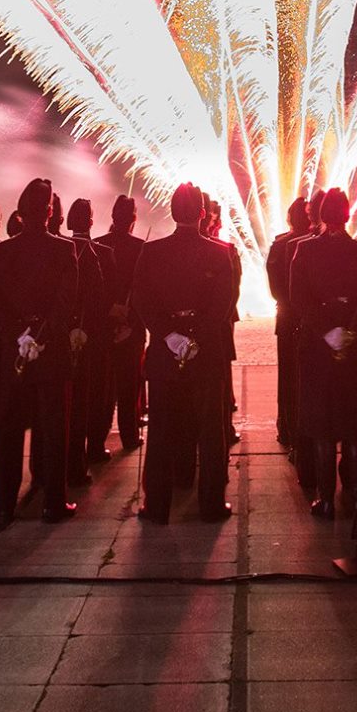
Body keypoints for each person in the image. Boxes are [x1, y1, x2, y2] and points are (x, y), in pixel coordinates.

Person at [131, 182, 239, 523]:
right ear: (203, 214)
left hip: (165, 354)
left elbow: (143, 302)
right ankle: (211, 504)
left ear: (173, 212)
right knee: (210, 431)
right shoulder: (219, 254)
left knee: (161, 430)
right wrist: (194, 337)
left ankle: (157, 505)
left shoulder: (152, 252)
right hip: (205, 352)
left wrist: (170, 335)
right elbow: (223, 305)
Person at [0, 178, 79, 525]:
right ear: (50, 212)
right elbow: (66, 302)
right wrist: (41, 334)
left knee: (6, 430)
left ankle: (4, 505)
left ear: (20, 213)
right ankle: (54, 503)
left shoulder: (1, 251)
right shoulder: (64, 249)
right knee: (53, 429)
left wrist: (17, 337)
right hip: (50, 351)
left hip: (14, 353)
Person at [290, 188, 357, 518]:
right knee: (356, 425)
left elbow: (298, 298)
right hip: (354, 346)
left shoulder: (304, 250)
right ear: (347, 215)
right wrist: (350, 329)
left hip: (318, 346)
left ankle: (325, 500)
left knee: (323, 425)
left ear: (321, 215)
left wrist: (327, 331)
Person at [64, 198, 111, 480]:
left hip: (59, 335)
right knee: (87, 400)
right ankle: (81, 461)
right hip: (89, 337)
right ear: (90, 222)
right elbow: (99, 300)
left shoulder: (58, 248)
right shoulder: (98, 254)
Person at [96, 195, 146, 455]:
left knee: (102, 388)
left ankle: (96, 441)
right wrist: (132, 318)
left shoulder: (98, 245)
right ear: (133, 219)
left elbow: (92, 290)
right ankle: (129, 436)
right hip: (131, 325)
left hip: (102, 326)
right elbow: (145, 290)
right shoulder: (142, 247)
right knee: (129, 385)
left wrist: (106, 312)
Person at [267, 197, 312, 473]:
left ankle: (287, 428)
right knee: (307, 380)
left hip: (286, 319)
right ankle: (304, 434)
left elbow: (274, 288)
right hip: (307, 320)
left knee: (287, 378)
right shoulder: (313, 246)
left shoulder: (279, 245)